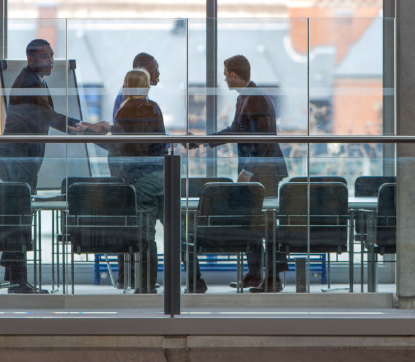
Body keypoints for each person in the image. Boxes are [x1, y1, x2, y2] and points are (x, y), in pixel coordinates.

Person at [0, 38, 105, 294]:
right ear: (31, 59)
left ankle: (15, 277)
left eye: (51, 56)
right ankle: (18, 281)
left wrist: (86, 128)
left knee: (18, 215)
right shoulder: (29, 83)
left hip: (20, 158)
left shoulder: (34, 80)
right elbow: (50, 117)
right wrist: (86, 128)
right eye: (45, 57)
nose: (51, 61)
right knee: (19, 216)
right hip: (15, 158)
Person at [192, 55, 289, 293]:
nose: (224, 78)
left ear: (234, 75)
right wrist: (204, 141)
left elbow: (264, 141)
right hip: (259, 171)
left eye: (225, 74)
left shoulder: (255, 99)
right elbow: (236, 130)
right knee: (253, 224)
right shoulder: (246, 97)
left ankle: (273, 279)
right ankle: (255, 275)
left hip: (263, 173)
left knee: (266, 225)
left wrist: (248, 171)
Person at [107, 69, 188, 293]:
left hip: (141, 178)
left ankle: (147, 285)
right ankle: (194, 279)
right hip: (162, 175)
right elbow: (158, 143)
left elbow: (121, 147)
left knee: (146, 234)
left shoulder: (124, 111)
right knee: (175, 230)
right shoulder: (155, 108)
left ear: (127, 85)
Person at [113, 53, 160, 118]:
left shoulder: (137, 94)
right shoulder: (128, 95)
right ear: (140, 67)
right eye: (154, 69)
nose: (158, 73)